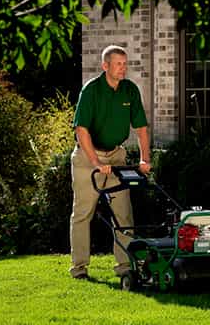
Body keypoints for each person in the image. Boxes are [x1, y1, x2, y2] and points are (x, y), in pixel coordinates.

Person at [69, 45, 151, 279]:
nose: (123, 68)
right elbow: (81, 130)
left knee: (123, 213)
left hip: (116, 155)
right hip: (88, 156)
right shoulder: (91, 90)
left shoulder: (129, 90)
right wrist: (95, 162)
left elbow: (141, 128)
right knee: (83, 213)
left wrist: (145, 158)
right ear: (105, 66)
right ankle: (79, 268)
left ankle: (125, 266)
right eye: (118, 64)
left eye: (125, 64)